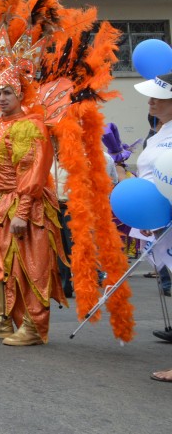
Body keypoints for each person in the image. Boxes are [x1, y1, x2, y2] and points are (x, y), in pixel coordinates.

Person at [0, 83, 65, 346]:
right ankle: (2, 320)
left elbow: (34, 172)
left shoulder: (33, 126)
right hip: (3, 205)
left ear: (20, 94)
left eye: (7, 93)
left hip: (29, 206)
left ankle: (33, 326)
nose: (1, 98)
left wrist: (22, 212)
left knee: (31, 266)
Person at [129, 73, 172, 381]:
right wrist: (148, 216)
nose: (151, 101)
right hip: (162, 223)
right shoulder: (159, 132)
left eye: (158, 97)